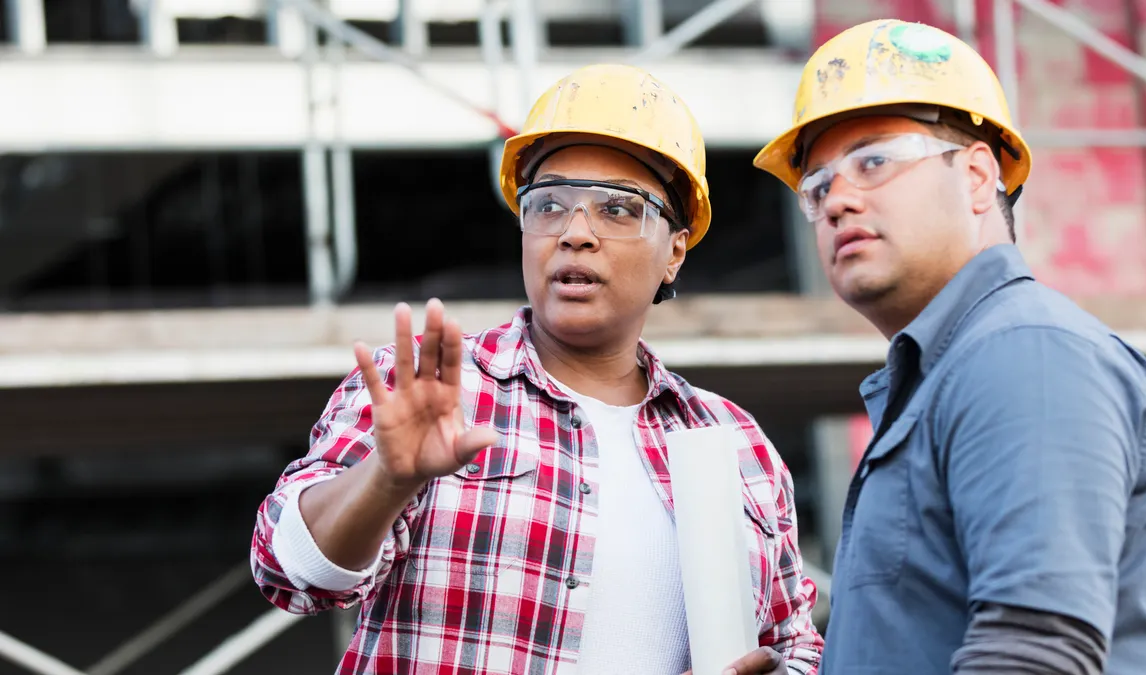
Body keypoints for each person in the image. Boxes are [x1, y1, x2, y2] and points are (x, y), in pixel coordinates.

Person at [250, 63, 824, 675]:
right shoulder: (426, 385)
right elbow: (287, 573)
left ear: (674, 252)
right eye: (548, 204)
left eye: (619, 210)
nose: (575, 233)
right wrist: (385, 480)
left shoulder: (738, 447)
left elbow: (796, 648)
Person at [753, 18, 1146, 675]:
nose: (840, 200)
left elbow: (1033, 653)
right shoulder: (950, 375)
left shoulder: (1025, 355)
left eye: (873, 161)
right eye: (818, 188)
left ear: (976, 175)